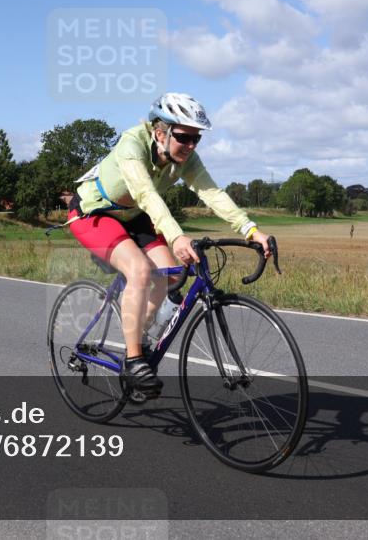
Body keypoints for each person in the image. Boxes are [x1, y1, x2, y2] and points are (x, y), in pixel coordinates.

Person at [67, 93, 273, 400]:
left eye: (196, 139)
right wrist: (177, 236)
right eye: (184, 138)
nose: (191, 146)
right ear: (160, 132)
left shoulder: (184, 158)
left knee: (170, 274)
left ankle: (137, 337)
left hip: (134, 216)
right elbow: (147, 194)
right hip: (94, 212)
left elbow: (212, 192)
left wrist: (250, 229)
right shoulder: (131, 145)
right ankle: (135, 361)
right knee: (138, 270)